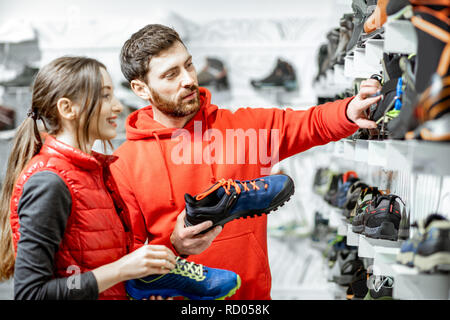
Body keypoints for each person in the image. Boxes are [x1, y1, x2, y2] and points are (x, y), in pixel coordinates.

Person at [112, 24, 382, 299]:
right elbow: (128, 261)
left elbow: (310, 123)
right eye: (171, 74)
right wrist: (174, 244)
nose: (188, 79)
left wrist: (349, 110)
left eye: (189, 65)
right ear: (141, 88)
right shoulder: (124, 164)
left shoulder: (242, 130)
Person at [0, 56, 177, 300]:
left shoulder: (94, 173)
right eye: (105, 95)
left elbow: (92, 271)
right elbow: (32, 294)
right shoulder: (50, 182)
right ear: (66, 108)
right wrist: (121, 269)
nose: (117, 106)